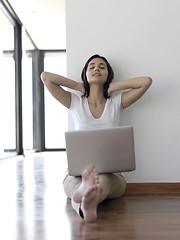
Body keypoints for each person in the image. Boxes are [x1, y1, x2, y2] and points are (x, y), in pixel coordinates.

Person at [41, 54, 152, 223]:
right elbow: (46, 77)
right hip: (77, 174)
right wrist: (78, 86)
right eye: (91, 66)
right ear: (85, 73)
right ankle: (86, 201)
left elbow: (146, 81)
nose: (96, 69)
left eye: (102, 67)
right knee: (74, 186)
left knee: (102, 182)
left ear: (108, 74)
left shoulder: (116, 102)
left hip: (112, 174)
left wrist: (113, 87)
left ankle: (86, 196)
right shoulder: (75, 102)